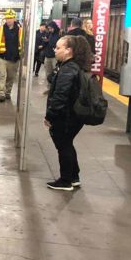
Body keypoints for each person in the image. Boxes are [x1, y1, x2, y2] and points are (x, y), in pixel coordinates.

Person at [44, 35, 91, 191]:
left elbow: (60, 96)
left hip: (66, 116)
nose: (55, 50)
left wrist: (50, 116)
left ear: (68, 50)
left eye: (58, 48)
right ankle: (74, 176)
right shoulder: (71, 66)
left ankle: (65, 181)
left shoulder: (68, 69)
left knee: (63, 146)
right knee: (67, 144)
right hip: (74, 115)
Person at [0, 9, 23, 102]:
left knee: (11, 77)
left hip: (14, 59)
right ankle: (1, 93)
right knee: (2, 75)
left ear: (14, 18)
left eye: (10, 18)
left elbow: (23, 43)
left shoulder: (20, 31)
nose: (9, 20)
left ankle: (8, 92)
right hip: (2, 57)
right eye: (7, 18)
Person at [42, 21, 61, 93]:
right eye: (49, 28)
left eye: (51, 28)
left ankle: (55, 89)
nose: (50, 30)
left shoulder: (59, 33)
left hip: (55, 57)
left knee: (56, 73)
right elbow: (44, 43)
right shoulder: (49, 33)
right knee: (48, 73)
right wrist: (45, 41)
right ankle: (49, 88)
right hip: (47, 56)